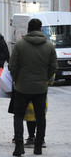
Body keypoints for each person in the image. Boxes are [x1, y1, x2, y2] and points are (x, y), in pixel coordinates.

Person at [9, 18, 57, 156]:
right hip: (40, 88)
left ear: (28, 29)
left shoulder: (19, 45)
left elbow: (12, 66)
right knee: (40, 117)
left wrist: (18, 79)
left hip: (22, 88)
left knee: (18, 116)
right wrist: (45, 79)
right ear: (40, 29)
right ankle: (38, 147)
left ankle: (19, 146)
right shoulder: (49, 46)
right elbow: (53, 67)